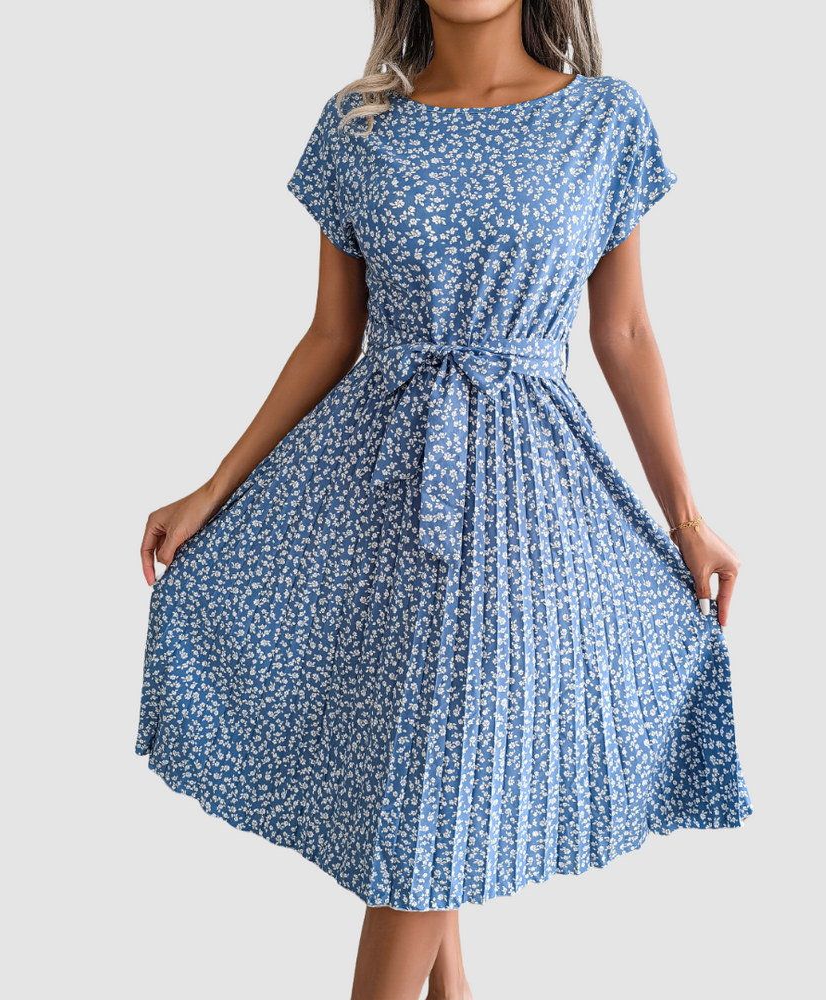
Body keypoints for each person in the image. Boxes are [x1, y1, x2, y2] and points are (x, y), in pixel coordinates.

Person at [136, 2, 752, 997]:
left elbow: (625, 332)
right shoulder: (358, 125)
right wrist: (215, 487)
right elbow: (331, 336)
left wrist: (685, 518)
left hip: (526, 501)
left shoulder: (605, 119)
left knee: (432, 787)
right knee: (425, 774)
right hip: (376, 490)